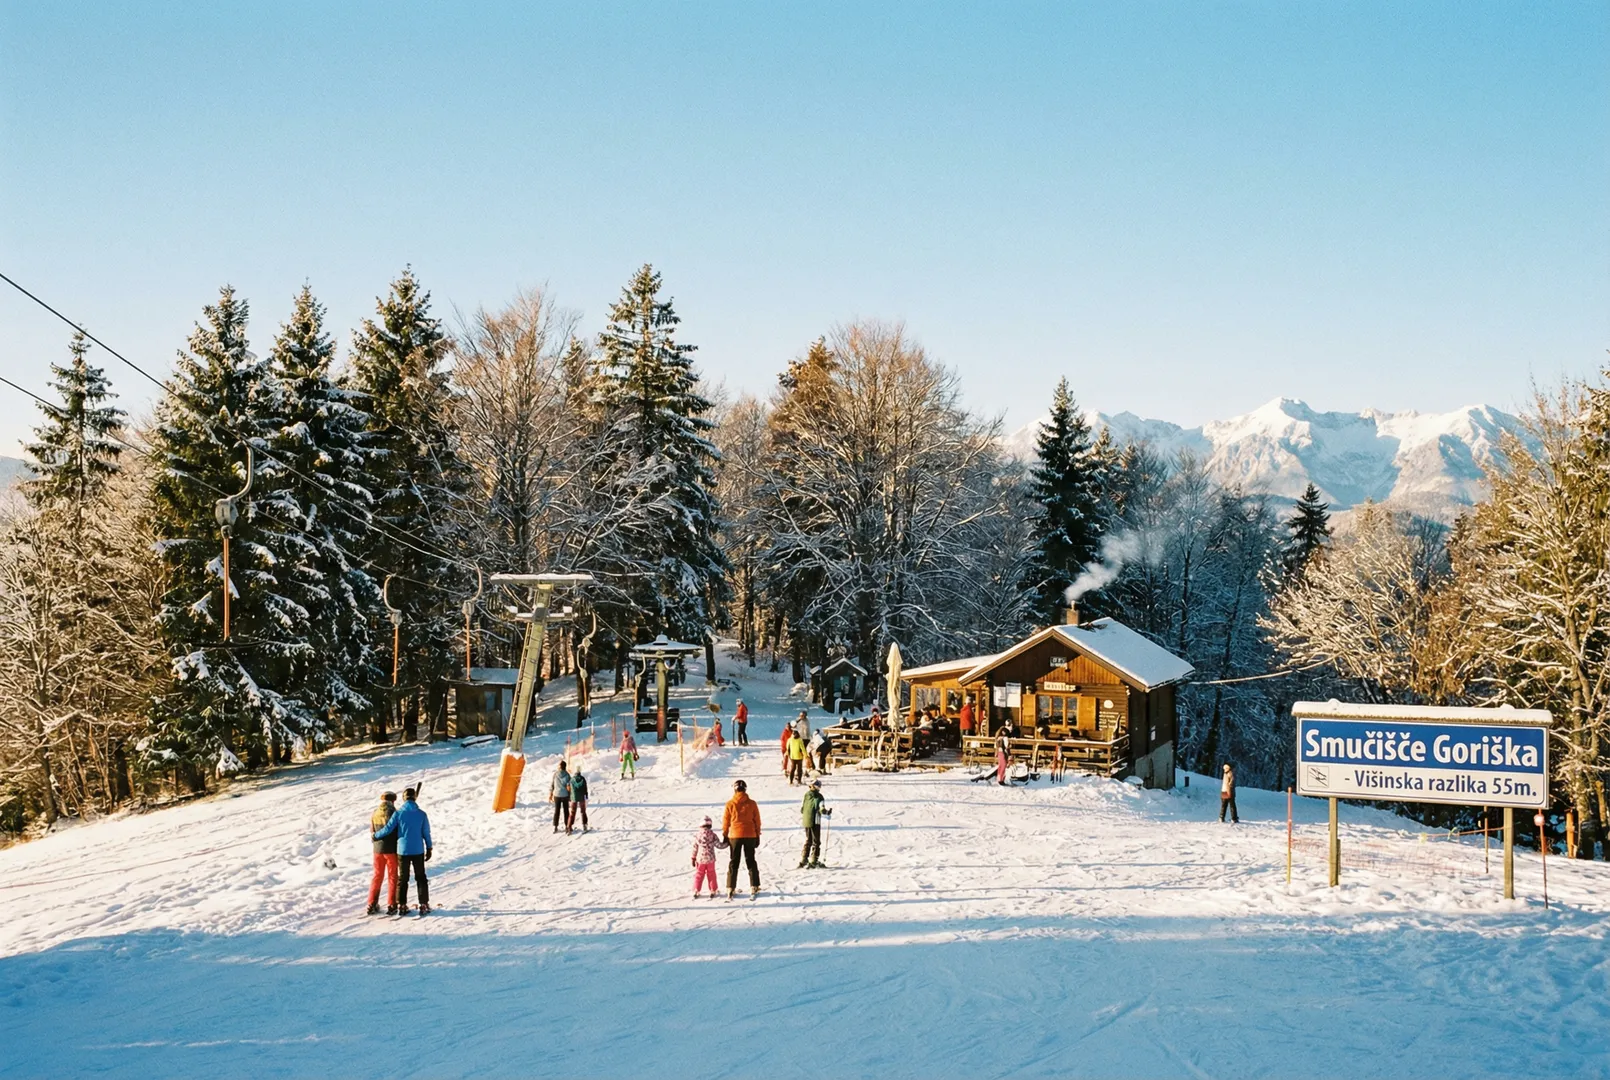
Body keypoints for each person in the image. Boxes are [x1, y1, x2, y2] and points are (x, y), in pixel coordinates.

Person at [372, 787, 432, 916]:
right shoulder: (422, 814)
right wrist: (429, 847)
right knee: (421, 877)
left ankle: (402, 905)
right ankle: (424, 904)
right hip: (418, 850)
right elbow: (426, 833)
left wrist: (376, 836)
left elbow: (388, 829)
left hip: (402, 850)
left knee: (402, 879)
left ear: (404, 798)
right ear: (414, 798)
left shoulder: (398, 813)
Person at [722, 779, 762, 899]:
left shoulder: (730, 804)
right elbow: (757, 821)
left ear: (734, 790)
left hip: (735, 836)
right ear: (745, 789)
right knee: (751, 860)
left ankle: (730, 887)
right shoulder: (752, 803)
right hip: (750, 835)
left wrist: (725, 834)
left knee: (734, 862)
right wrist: (757, 835)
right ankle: (754, 885)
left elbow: (726, 821)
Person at [366, 791, 400, 915]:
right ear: (393, 801)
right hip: (391, 849)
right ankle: (392, 904)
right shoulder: (394, 813)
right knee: (392, 876)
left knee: (377, 875)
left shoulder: (375, 812)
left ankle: (372, 903)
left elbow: (372, 830)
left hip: (377, 850)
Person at [799, 779, 831, 868]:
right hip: (815, 821)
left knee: (808, 839)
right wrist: (827, 813)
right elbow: (822, 809)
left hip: (806, 821)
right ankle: (814, 859)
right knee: (816, 841)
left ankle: (804, 858)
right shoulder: (819, 797)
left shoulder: (806, 795)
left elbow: (802, 809)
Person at [691, 815, 723, 898]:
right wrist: (727, 843)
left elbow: (695, 847)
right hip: (710, 859)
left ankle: (696, 890)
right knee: (711, 874)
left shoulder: (698, 835)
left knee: (699, 874)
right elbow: (719, 845)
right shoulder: (713, 835)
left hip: (700, 859)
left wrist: (693, 857)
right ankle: (713, 889)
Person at [551, 760, 572, 834]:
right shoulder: (567, 775)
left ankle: (555, 827)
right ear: (565, 767)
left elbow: (552, 785)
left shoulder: (555, 774)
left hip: (557, 795)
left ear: (559, 767)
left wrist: (550, 794)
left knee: (557, 811)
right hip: (565, 795)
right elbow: (569, 786)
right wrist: (570, 795)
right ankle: (568, 827)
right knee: (566, 811)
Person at [568, 767, 589, 833]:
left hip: (573, 798)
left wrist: (569, 797)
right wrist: (586, 795)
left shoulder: (571, 780)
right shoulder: (582, 779)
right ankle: (584, 826)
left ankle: (569, 827)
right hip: (582, 797)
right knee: (583, 811)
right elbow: (585, 788)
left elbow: (569, 788)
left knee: (572, 812)